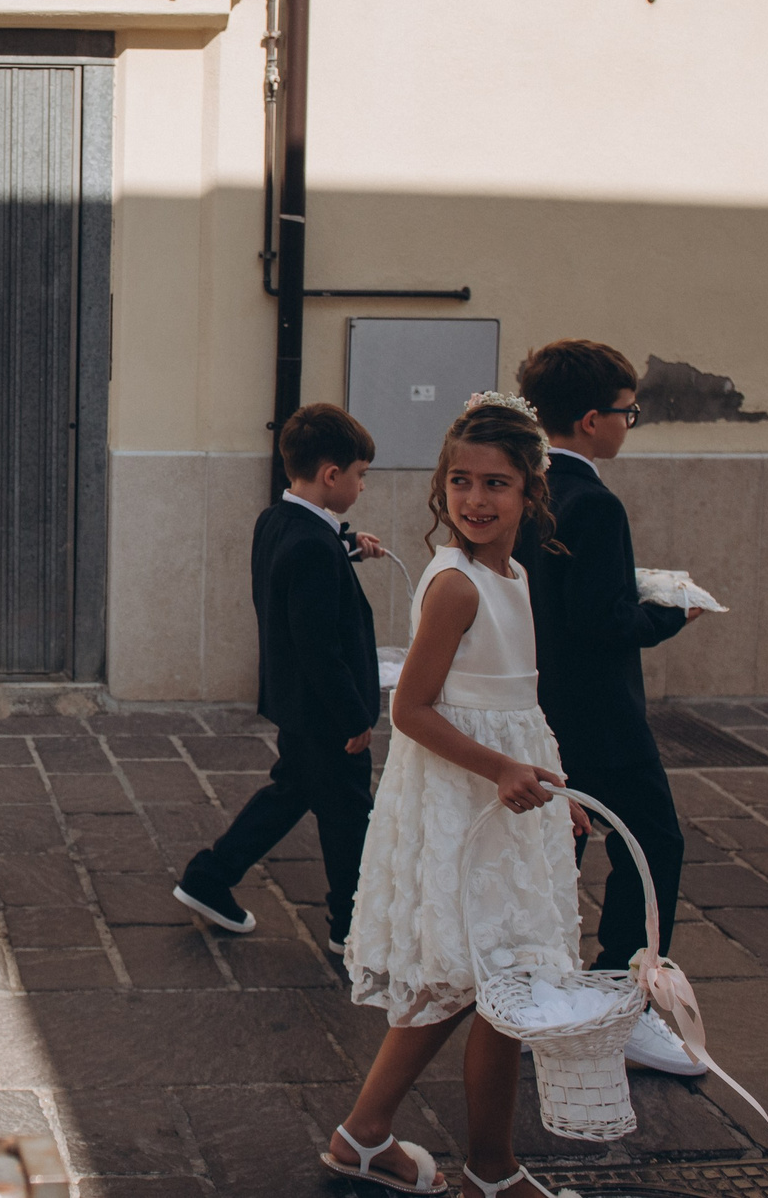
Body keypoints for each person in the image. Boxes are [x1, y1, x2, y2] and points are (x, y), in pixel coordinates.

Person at [324, 396, 584, 1198]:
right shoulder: (458, 586)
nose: (475, 499)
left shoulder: (516, 576)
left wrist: (552, 779)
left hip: (503, 793)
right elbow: (409, 709)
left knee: (463, 979)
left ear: (531, 488)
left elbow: (517, 705)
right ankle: (492, 1172)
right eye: (461, 481)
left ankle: (362, 1136)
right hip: (462, 798)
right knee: (493, 983)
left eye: (496, 484)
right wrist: (502, 770)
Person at [513, 338, 704, 1079]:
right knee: (654, 849)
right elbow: (604, 621)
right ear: (591, 419)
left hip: (541, 706)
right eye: (628, 412)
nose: (632, 423)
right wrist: (672, 612)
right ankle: (623, 1002)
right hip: (601, 716)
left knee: (557, 858)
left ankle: (544, 993)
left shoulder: (525, 485)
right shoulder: (594, 500)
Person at [171, 404, 382, 952]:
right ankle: (349, 928)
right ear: (332, 475)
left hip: (296, 703)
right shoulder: (314, 545)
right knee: (348, 817)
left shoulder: (280, 520)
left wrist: (348, 546)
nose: (362, 487)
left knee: (293, 792)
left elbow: (305, 567)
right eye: (360, 475)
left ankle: (209, 877)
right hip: (325, 710)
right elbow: (318, 644)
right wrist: (355, 715)